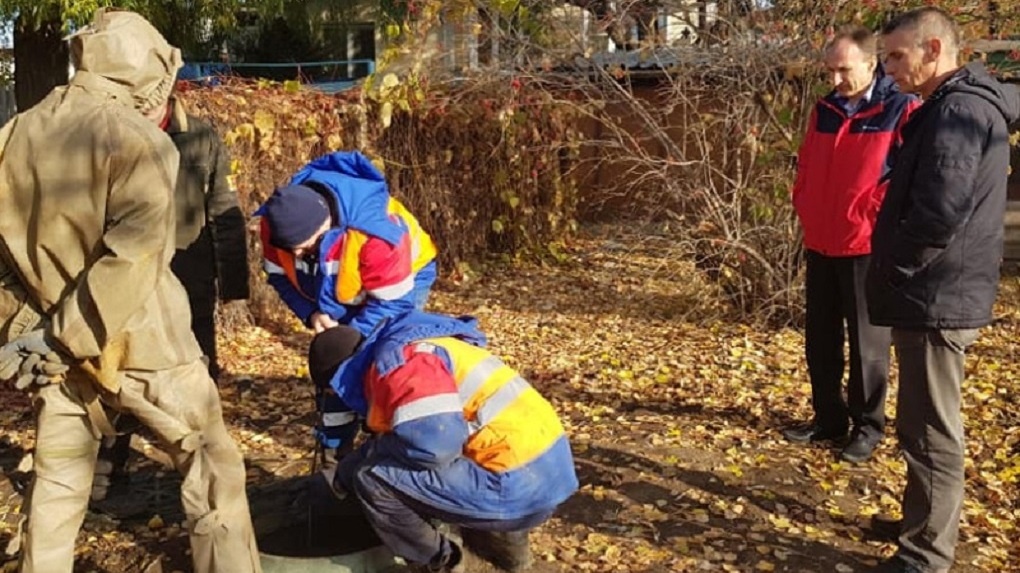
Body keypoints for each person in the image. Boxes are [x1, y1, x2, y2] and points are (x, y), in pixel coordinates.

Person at [0, 9, 261, 573]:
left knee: (59, 481)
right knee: (212, 469)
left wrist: (28, 330)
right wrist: (65, 336)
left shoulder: (14, 132)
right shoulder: (138, 139)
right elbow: (136, 254)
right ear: (147, 71)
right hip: (146, 343)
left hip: (53, 343)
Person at [866, 8, 1019, 573]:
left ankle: (926, 553)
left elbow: (938, 215)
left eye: (897, 56)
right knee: (922, 423)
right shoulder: (952, 105)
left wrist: (891, 270)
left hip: (938, 296)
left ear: (934, 49)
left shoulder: (956, 111)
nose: (888, 67)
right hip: (938, 292)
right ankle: (922, 521)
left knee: (930, 431)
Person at [307, 311, 578, 573]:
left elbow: (435, 448)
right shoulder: (418, 348)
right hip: (550, 470)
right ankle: (510, 555)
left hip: (519, 488)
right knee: (406, 463)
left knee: (373, 478)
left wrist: (361, 465)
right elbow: (418, 437)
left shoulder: (400, 367)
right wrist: (342, 474)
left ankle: (442, 562)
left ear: (340, 378)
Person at [91, 90, 252, 502]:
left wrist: (232, 283)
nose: (144, 103)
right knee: (117, 375)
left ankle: (207, 477)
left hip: (188, 279)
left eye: (153, 96)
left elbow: (223, 208)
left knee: (199, 375)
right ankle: (106, 475)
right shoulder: (111, 135)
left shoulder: (200, 138)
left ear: (169, 90)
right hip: (124, 279)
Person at [784, 26, 918, 463]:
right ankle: (828, 419)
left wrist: (871, 217)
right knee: (820, 338)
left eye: (844, 70)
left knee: (868, 345)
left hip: (864, 245)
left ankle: (868, 426)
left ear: (870, 62)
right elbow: (806, 163)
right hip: (820, 240)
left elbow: (902, 179)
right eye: (830, 71)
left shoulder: (901, 108)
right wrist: (803, 203)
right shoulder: (823, 109)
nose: (836, 79)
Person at [256, 150, 438, 463]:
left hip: (402, 282)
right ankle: (335, 449)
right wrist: (312, 314)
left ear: (326, 225)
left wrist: (348, 339)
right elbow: (281, 280)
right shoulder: (277, 226)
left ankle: (386, 440)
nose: (298, 255)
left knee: (381, 355)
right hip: (341, 288)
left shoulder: (378, 233)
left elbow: (392, 304)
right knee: (334, 360)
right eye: (291, 250)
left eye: (305, 247)